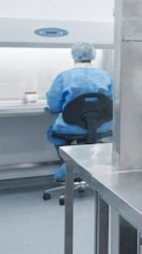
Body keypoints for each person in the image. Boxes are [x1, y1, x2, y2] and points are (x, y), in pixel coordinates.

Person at [45, 41, 113, 182]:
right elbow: (113, 103)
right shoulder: (106, 76)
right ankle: (81, 166)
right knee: (89, 138)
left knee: (53, 132)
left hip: (70, 127)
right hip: (102, 127)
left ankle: (68, 167)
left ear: (74, 56)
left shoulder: (64, 76)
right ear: (93, 56)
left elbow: (54, 106)